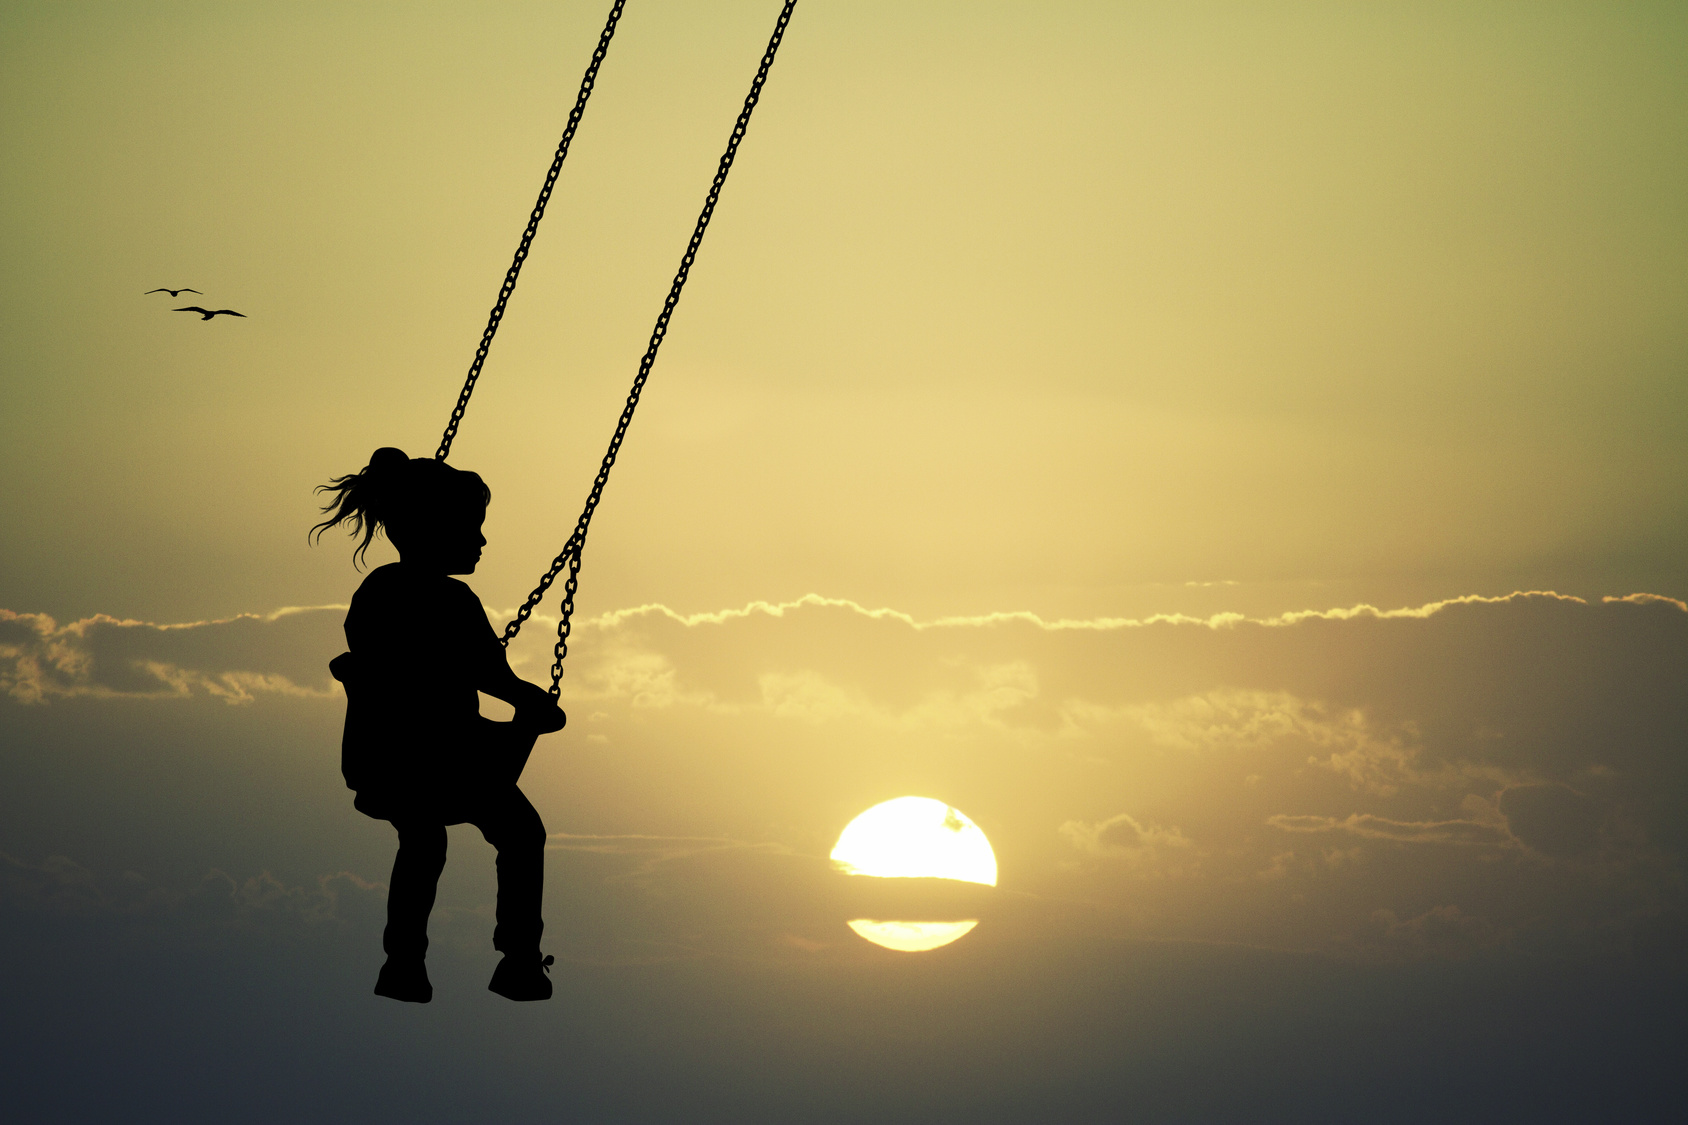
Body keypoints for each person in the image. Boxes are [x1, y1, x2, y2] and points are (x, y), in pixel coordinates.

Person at [311, 447, 566, 1003]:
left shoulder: (390, 592)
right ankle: (511, 959)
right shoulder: (432, 598)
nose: (479, 542)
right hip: (426, 757)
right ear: (430, 528)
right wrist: (533, 705)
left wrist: (525, 700)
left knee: (431, 841)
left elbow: (486, 672)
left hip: (404, 756)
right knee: (503, 834)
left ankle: (410, 962)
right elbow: (490, 676)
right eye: (469, 528)